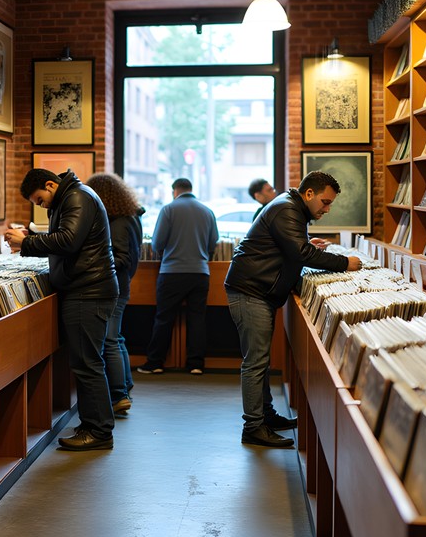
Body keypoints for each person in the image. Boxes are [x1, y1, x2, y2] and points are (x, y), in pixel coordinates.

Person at [225, 171, 362, 448]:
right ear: (309, 194)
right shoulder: (287, 209)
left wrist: (306, 245)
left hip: (257, 289)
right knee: (255, 362)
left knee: (260, 360)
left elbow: (288, 248)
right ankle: (253, 427)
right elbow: (301, 253)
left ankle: (265, 416)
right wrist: (344, 263)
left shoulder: (290, 207)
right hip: (251, 290)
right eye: (325, 202)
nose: (327, 209)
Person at [5, 168, 118, 451]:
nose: (42, 206)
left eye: (40, 200)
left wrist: (26, 242)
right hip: (86, 289)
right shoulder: (71, 197)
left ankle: (100, 431)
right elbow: (67, 237)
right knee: (85, 362)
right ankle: (92, 424)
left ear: (50, 185)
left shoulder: (76, 197)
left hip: (88, 291)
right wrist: (32, 234)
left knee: (88, 363)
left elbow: (68, 241)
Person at [136, 177, 219, 375]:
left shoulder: (168, 209)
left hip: (172, 272)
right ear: (191, 189)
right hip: (200, 272)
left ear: (175, 191)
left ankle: (155, 362)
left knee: (164, 318)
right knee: (197, 319)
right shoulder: (207, 211)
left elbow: (157, 243)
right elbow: (213, 242)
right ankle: (196, 364)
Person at [86, 172, 144, 417]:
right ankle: (125, 387)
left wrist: (93, 261)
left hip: (115, 286)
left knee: (109, 340)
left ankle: (119, 395)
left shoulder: (119, 222)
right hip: (121, 285)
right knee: (116, 338)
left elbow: (121, 258)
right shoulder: (129, 216)